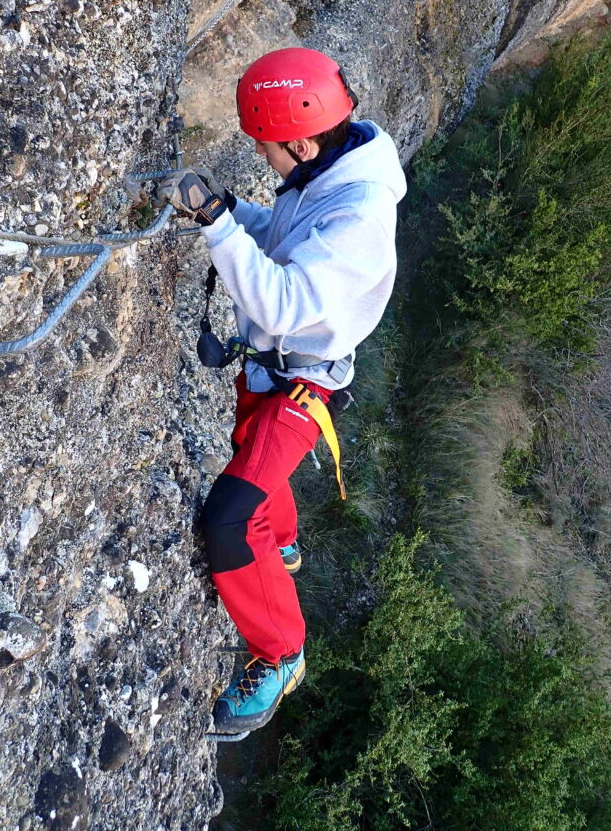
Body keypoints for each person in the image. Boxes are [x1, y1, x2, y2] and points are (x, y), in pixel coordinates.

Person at [156, 47, 407, 739]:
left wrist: (215, 224)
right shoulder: (333, 167)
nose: (264, 158)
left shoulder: (357, 215)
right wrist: (234, 212)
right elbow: (291, 241)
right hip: (276, 373)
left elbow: (286, 301)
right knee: (253, 458)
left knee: (229, 519)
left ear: (299, 137)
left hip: (304, 386)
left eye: (265, 147)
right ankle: (286, 545)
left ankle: (280, 654)